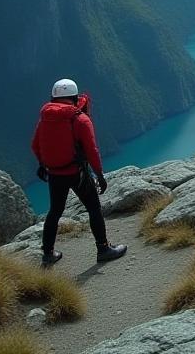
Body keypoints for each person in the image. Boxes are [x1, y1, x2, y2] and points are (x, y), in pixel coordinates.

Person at [31, 78, 127, 267]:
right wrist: (99, 174)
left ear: (53, 98)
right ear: (75, 98)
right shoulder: (80, 119)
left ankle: (48, 254)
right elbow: (92, 150)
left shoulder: (45, 118)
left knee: (54, 212)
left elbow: (35, 145)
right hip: (77, 173)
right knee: (93, 208)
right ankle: (103, 249)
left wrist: (44, 164)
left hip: (55, 173)